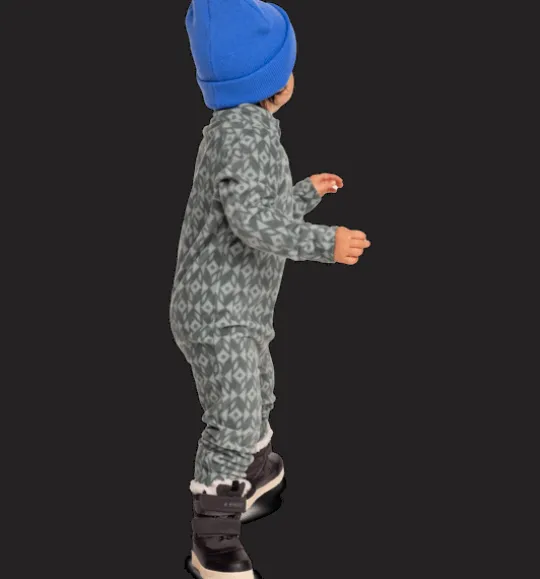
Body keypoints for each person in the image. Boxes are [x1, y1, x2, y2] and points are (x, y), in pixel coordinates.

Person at [170, 1, 371, 577]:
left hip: (241, 310)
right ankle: (212, 540)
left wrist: (305, 192)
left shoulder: (239, 130)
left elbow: (257, 207)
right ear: (275, 82)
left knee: (257, 393)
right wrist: (325, 242)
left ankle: (255, 471)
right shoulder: (245, 137)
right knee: (232, 421)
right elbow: (253, 224)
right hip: (220, 314)